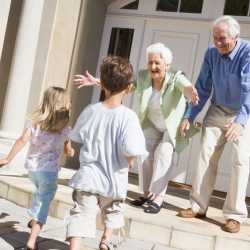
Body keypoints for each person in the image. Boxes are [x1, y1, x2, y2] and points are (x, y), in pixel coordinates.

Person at [74, 42, 199, 214]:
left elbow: (185, 86)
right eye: (150, 62)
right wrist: (98, 82)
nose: (153, 66)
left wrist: (190, 91)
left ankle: (158, 197)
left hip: (171, 127)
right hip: (153, 123)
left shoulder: (176, 77)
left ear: (167, 65)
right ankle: (147, 193)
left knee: (164, 152)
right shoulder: (143, 77)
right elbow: (123, 87)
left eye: (157, 63)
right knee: (145, 153)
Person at [65, 56, 148, 250]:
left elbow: (75, 136)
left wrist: (68, 148)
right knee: (113, 211)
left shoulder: (91, 111)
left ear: (102, 85)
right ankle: (105, 241)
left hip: (89, 177)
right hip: (114, 179)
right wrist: (131, 161)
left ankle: (75, 247)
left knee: (81, 215)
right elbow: (131, 149)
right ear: (128, 88)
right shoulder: (128, 117)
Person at [178, 16, 250, 233]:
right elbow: (202, 87)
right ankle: (198, 206)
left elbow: (249, 89)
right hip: (218, 109)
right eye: (215, 38)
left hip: (243, 111)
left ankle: (235, 215)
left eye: (223, 39)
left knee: (240, 160)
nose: (218, 43)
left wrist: (240, 122)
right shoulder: (211, 53)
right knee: (206, 155)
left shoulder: (247, 52)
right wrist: (189, 115)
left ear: (236, 37)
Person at [0, 86, 74, 249]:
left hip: (33, 170)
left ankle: (33, 219)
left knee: (40, 196)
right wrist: (71, 151)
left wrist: (8, 158)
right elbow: (68, 151)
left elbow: (21, 140)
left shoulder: (35, 123)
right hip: (49, 173)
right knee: (44, 204)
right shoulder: (65, 128)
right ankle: (32, 240)